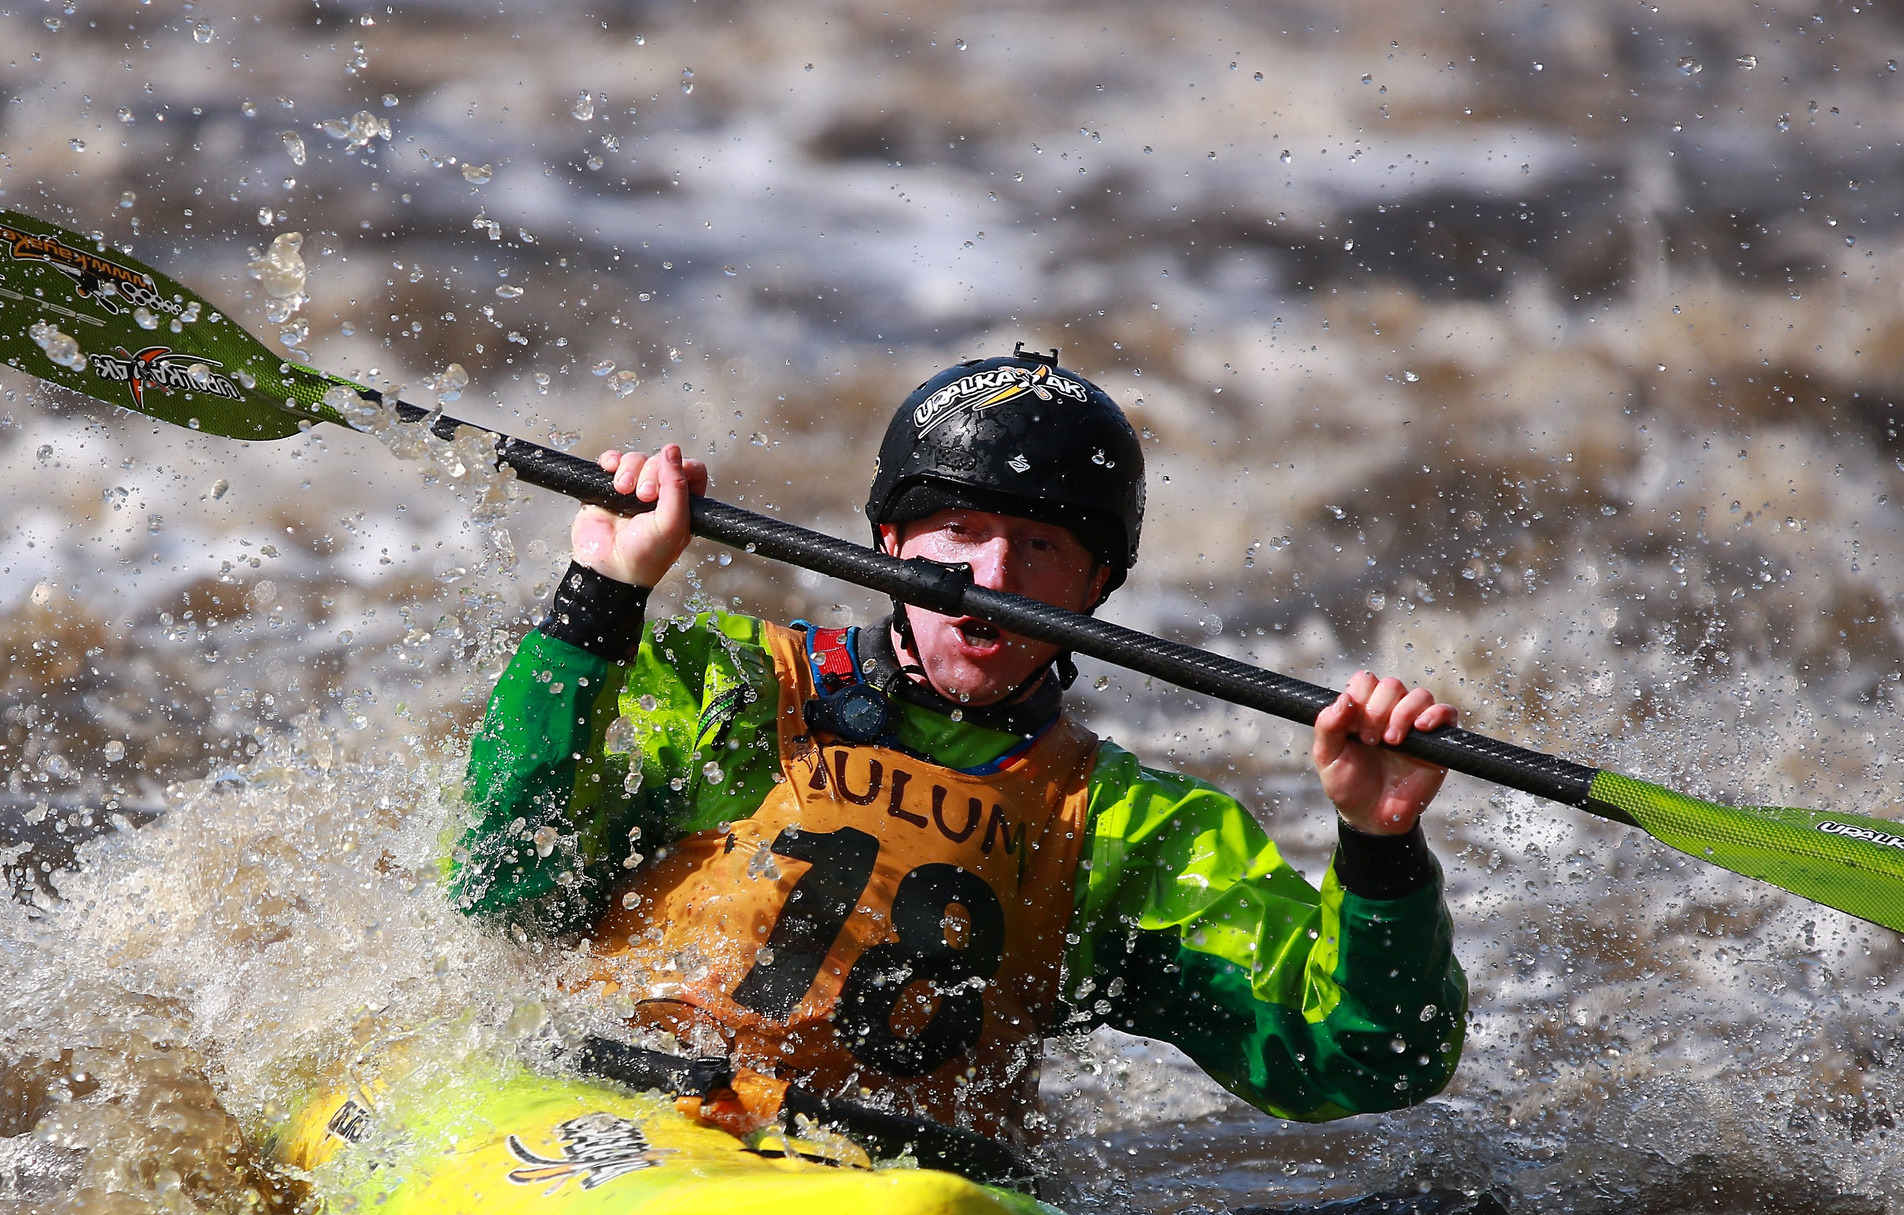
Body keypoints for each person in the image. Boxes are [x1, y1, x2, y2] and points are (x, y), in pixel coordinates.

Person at [450, 350, 1468, 1162]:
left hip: (905, 1193)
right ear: (890, 545)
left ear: (1094, 588)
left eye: (1040, 547)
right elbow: (502, 885)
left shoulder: (1131, 834)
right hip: (611, 1131)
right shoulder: (723, 695)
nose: (992, 576)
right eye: (960, 530)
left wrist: (1380, 848)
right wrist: (600, 599)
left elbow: (1368, 1064)